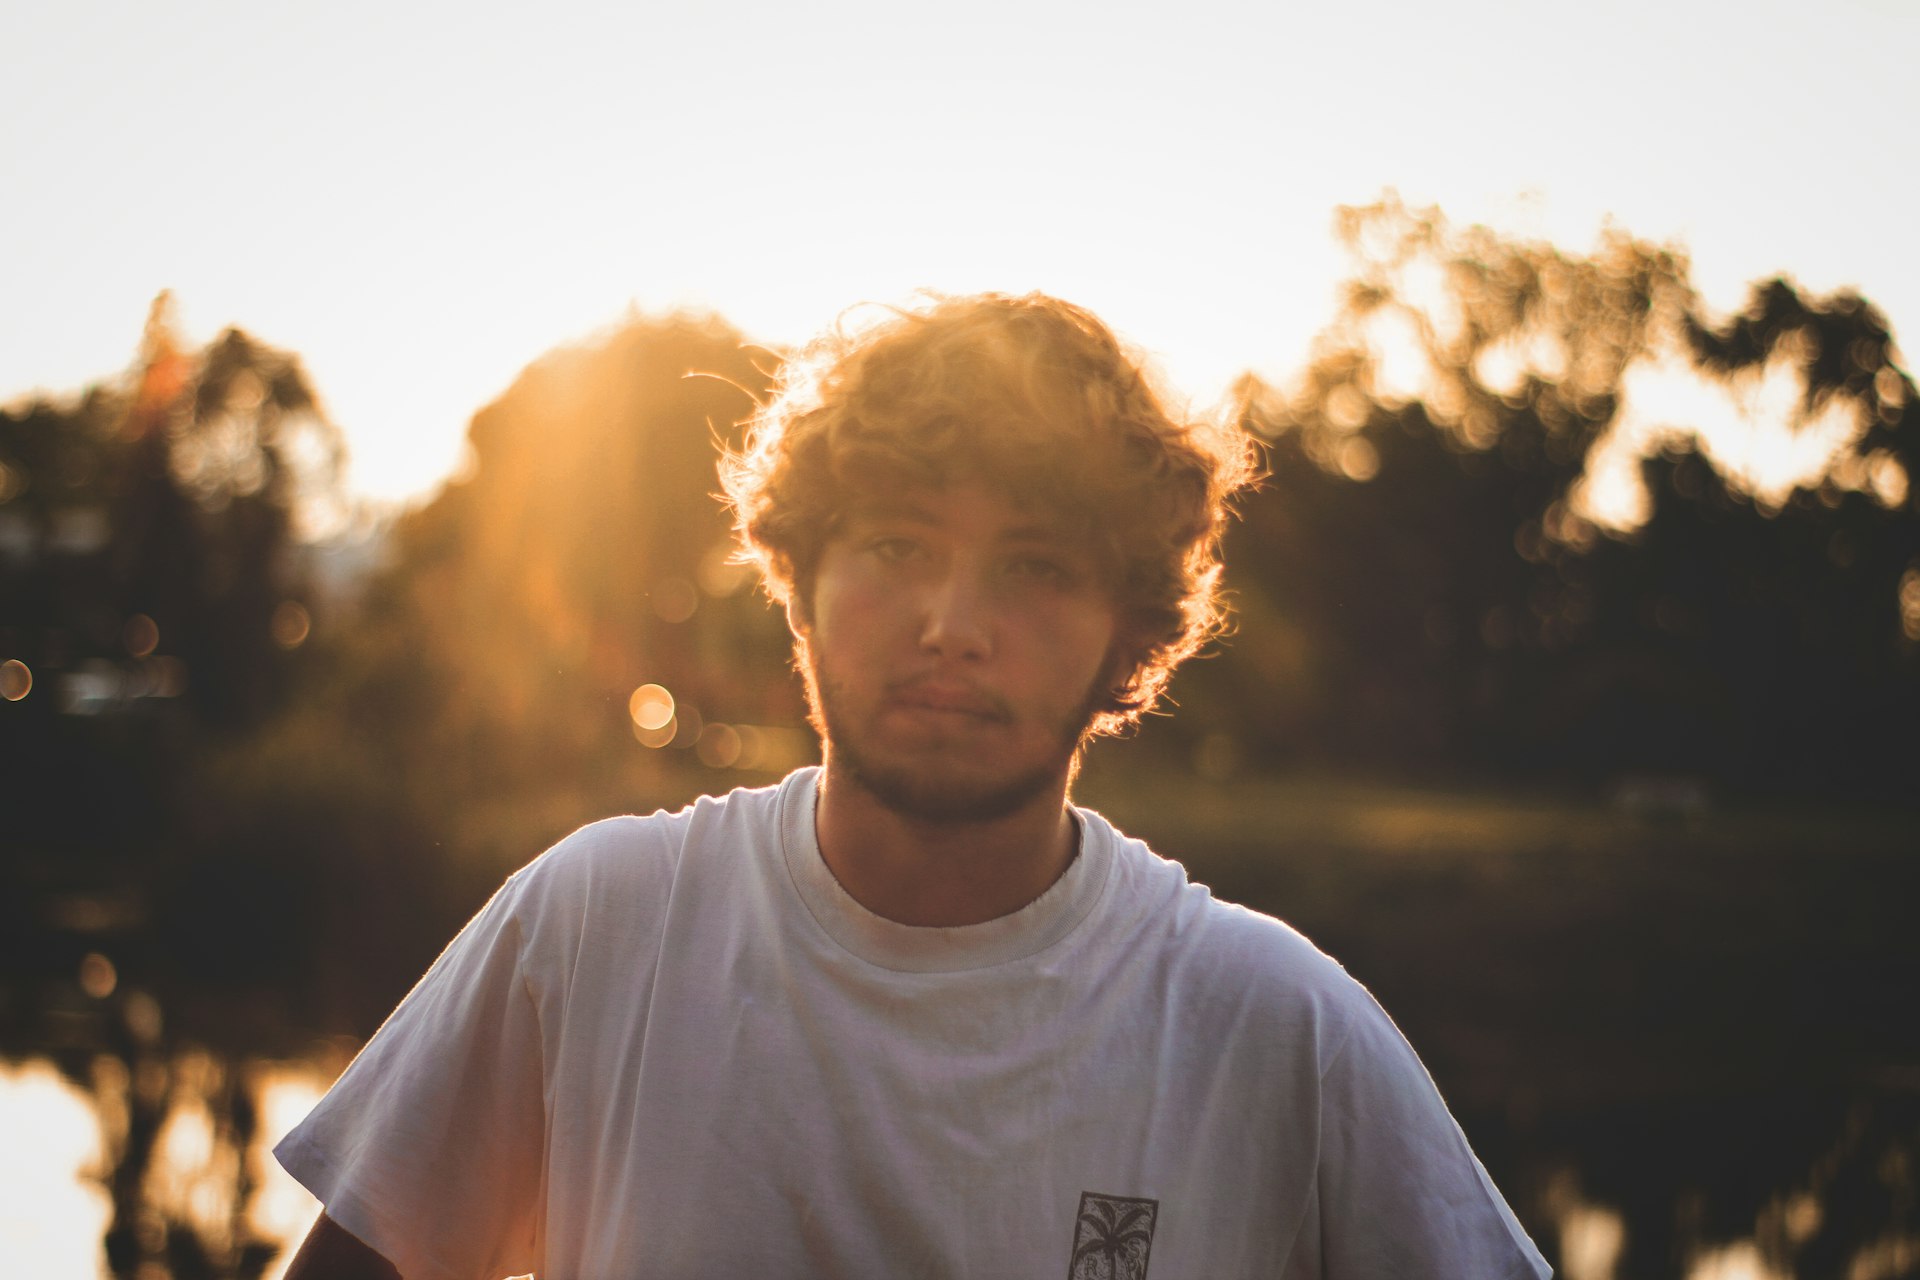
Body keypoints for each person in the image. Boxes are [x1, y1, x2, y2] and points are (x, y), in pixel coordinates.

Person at [277, 293, 1551, 1279]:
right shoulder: (601, 925)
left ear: (1128, 631)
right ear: (801, 582)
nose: (952, 622)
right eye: (897, 545)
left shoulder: (1269, 1024)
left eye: (1035, 566)